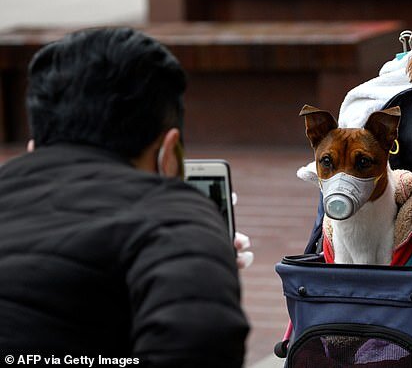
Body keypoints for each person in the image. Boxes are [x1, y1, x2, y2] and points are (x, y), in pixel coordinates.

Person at [0, 28, 249, 366]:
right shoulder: (175, 214)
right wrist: (200, 256)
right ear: (168, 154)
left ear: (34, 148)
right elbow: (202, 342)